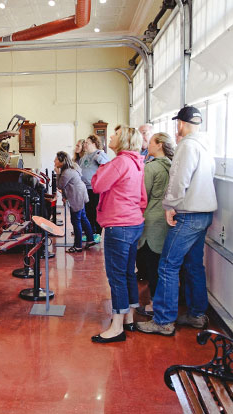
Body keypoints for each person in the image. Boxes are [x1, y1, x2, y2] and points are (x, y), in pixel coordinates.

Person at [136, 106, 217, 336]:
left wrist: (169, 205)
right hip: (205, 213)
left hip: (188, 214)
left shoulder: (187, 146)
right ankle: (196, 314)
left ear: (180, 124)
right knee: (193, 266)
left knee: (167, 266)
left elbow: (179, 179)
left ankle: (163, 320)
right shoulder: (206, 146)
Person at [90, 126, 146, 343]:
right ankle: (129, 316)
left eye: (114, 135)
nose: (110, 137)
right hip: (133, 223)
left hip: (119, 225)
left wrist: (103, 168)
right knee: (128, 273)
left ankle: (116, 327)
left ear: (122, 140)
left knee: (117, 277)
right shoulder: (136, 162)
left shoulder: (120, 162)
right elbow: (142, 197)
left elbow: (97, 185)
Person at [135, 132, 175, 316]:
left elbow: (143, 195)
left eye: (150, 142)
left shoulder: (151, 168)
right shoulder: (173, 165)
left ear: (159, 145)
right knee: (163, 264)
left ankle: (154, 304)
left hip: (152, 219)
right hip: (168, 218)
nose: (147, 145)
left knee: (152, 264)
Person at [54, 151, 94, 253]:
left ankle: (78, 246)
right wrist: (64, 196)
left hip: (77, 196)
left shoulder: (67, 172)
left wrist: (57, 173)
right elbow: (66, 186)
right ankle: (90, 239)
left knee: (76, 221)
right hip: (79, 194)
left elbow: (60, 185)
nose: (54, 161)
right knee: (83, 218)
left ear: (62, 161)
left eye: (56, 159)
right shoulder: (69, 169)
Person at [78, 134, 110, 243]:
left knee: (95, 211)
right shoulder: (85, 157)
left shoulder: (99, 154)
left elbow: (107, 167)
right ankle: (89, 233)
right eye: (85, 143)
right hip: (85, 188)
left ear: (94, 143)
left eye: (87, 143)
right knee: (87, 212)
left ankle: (97, 234)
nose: (85, 145)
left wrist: (99, 158)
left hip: (95, 189)